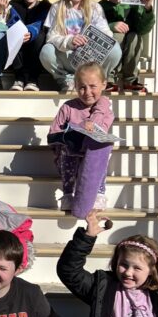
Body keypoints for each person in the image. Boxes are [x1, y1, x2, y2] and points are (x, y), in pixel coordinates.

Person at [47, 62, 115, 218]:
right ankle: (68, 193)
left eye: (93, 86)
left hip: (91, 158)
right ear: (76, 87)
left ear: (104, 85)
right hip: (70, 155)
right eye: (82, 87)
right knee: (66, 151)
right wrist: (77, 129)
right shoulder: (68, 107)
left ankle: (98, 194)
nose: (87, 92)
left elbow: (100, 130)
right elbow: (53, 134)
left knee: (102, 148)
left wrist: (100, 107)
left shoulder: (106, 112)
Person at [39, 0, 122, 92]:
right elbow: (51, 37)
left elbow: (106, 33)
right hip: (67, 56)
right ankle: (65, 79)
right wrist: (69, 41)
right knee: (46, 51)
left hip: (91, 57)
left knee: (115, 48)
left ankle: (98, 79)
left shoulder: (95, 8)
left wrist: (93, 40)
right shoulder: (57, 7)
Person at [99, 0, 156, 93]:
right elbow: (93, 27)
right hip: (107, 59)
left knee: (135, 36)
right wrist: (111, 26)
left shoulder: (134, 6)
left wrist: (147, 8)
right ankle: (108, 79)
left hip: (128, 51)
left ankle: (130, 80)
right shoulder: (100, 7)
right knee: (117, 35)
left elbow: (143, 29)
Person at [6, 0, 50, 91]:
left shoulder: (45, 6)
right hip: (19, 46)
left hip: (35, 45)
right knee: (11, 33)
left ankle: (32, 79)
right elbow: (12, 21)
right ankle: (19, 78)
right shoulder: (14, 5)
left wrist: (30, 32)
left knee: (41, 36)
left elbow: (40, 23)